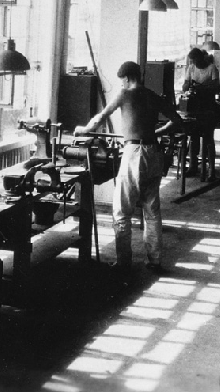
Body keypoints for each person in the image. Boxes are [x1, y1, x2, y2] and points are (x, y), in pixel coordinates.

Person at [74, 61, 183, 275]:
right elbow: (177, 121)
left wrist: (83, 130)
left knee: (121, 211)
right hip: (154, 152)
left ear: (125, 78)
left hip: (134, 154)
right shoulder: (153, 95)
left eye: (122, 80)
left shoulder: (124, 94)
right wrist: (155, 133)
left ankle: (124, 262)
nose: (122, 84)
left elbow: (101, 117)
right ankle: (155, 260)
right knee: (152, 210)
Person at [182, 47, 220, 180]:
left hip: (208, 107)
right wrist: (188, 85)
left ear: (201, 58)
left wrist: (201, 87)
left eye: (195, 60)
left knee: (208, 138)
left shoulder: (211, 68)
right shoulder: (191, 68)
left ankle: (211, 170)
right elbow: (185, 86)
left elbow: (217, 88)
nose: (194, 63)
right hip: (195, 107)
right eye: (192, 61)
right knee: (193, 137)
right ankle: (193, 166)